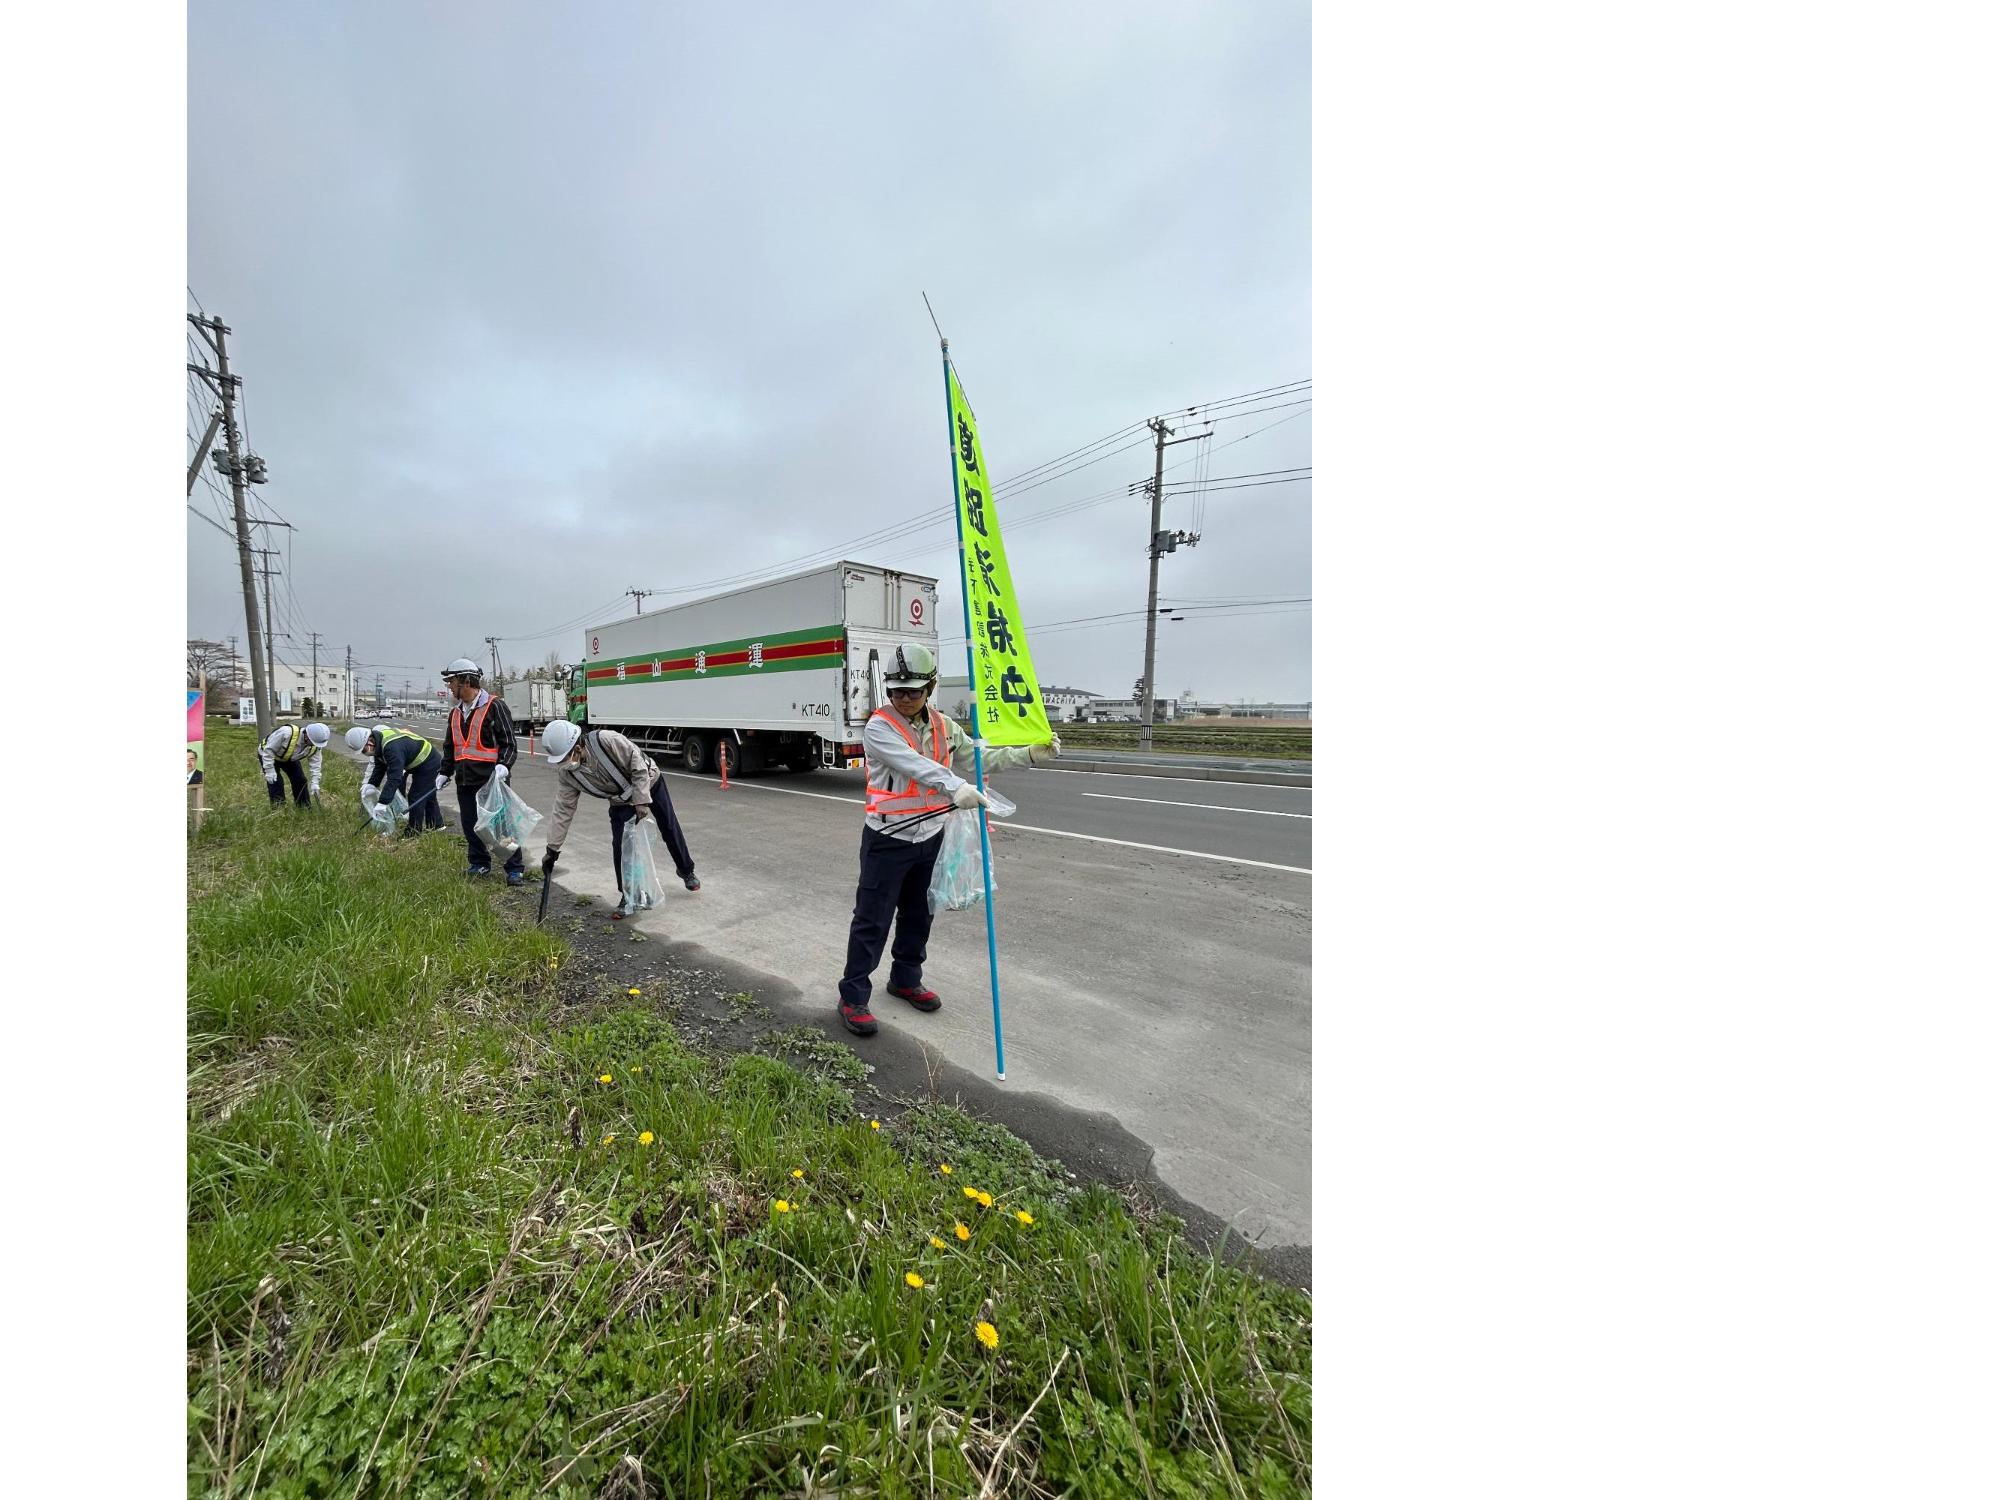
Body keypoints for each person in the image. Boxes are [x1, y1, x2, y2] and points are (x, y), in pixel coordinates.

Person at [836, 643, 1057, 1037]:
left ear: (930, 687)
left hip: (931, 836)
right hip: (887, 838)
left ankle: (905, 979)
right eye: (896, 690)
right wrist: (954, 787)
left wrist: (1028, 755)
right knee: (872, 920)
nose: (904, 698)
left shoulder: (943, 725)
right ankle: (853, 996)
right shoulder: (878, 727)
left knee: (920, 915)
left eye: (913, 691)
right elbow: (916, 766)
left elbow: (976, 758)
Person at [537, 719, 699, 915]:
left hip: (649, 782)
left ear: (578, 746)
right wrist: (552, 848)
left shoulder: (607, 740)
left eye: (567, 757)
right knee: (621, 847)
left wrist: (641, 800)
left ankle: (686, 870)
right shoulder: (567, 775)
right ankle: (629, 896)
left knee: (669, 827)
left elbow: (637, 763)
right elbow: (563, 809)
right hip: (620, 800)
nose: (565, 764)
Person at [434, 658, 525, 882]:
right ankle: (479, 863)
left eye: (452, 681)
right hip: (465, 779)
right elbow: (450, 746)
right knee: (470, 824)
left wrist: (504, 765)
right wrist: (444, 771)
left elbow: (509, 743)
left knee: (501, 825)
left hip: (491, 779)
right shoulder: (455, 713)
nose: (450, 686)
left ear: (466, 681)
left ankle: (514, 868)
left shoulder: (494, 706)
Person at [346, 723, 445, 834]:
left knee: (416, 795)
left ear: (369, 742)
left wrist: (383, 802)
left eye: (364, 750)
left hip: (428, 762)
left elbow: (395, 777)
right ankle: (436, 825)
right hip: (418, 761)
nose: (365, 754)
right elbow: (380, 767)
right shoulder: (379, 744)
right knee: (427, 794)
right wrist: (371, 784)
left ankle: (414, 831)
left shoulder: (391, 747)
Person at [259, 721, 330, 808]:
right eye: (313, 742)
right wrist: (269, 770)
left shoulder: (315, 746)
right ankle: (278, 808)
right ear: (307, 736)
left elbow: (316, 764)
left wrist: (315, 783)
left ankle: (304, 807)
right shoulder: (286, 732)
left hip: (288, 758)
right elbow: (268, 750)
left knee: (300, 780)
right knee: (275, 781)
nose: (314, 745)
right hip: (268, 755)